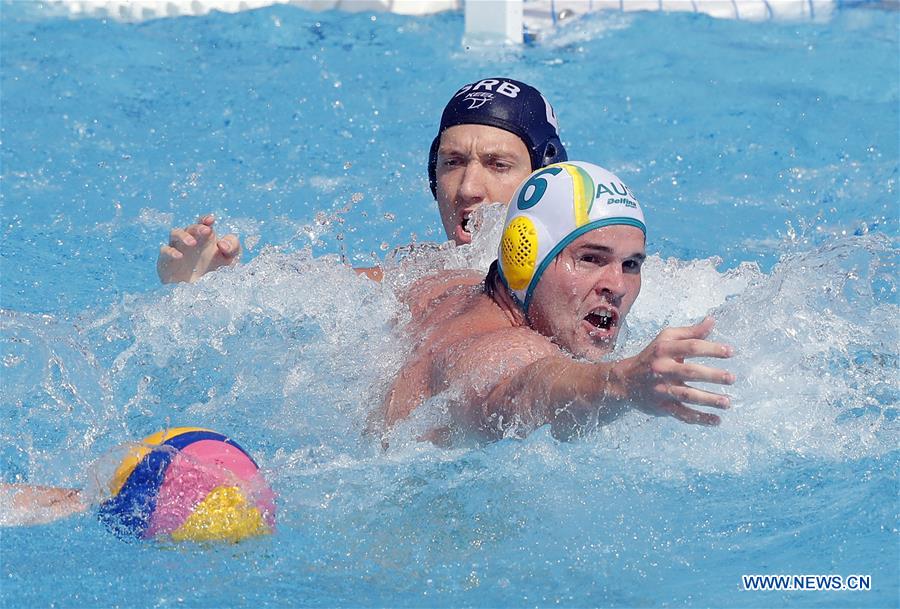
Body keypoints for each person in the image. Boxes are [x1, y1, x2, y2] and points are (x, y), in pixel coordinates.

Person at [379, 161, 735, 441]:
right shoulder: (499, 350)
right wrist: (622, 382)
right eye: (591, 259)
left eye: (630, 265)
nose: (617, 285)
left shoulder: (442, 284)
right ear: (525, 260)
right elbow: (528, 388)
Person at [157, 77, 567, 283]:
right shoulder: (414, 278)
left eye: (497, 165)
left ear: (544, 180)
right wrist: (208, 284)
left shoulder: (598, 282)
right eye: (452, 162)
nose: (467, 189)